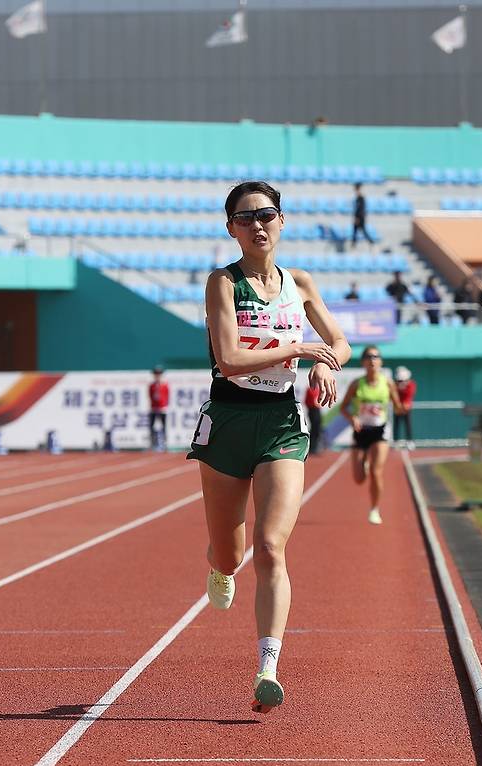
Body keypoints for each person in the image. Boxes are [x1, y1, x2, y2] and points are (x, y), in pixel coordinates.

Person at [187, 181, 350, 714]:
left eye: (267, 214)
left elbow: (340, 341)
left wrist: (327, 361)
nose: (258, 224)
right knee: (231, 552)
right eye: (245, 216)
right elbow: (229, 358)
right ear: (230, 228)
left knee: (272, 545)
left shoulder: (299, 282)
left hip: (280, 422)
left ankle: (267, 666)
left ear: (282, 222)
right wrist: (300, 347)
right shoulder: (222, 283)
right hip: (229, 421)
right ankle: (217, 568)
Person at [339, 345, 402, 526]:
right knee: (359, 479)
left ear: (380, 361)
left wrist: (402, 405)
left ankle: (374, 509)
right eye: (368, 356)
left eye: (376, 356)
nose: (372, 360)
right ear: (363, 362)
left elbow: (397, 406)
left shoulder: (387, 383)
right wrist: (353, 419)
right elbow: (343, 408)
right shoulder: (357, 384)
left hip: (379, 432)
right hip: (360, 432)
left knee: (376, 472)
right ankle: (364, 462)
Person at [393, 366, 417, 447]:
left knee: (408, 424)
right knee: (396, 424)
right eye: (399, 381)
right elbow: (393, 395)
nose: (401, 383)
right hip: (397, 407)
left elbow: (409, 396)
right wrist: (397, 405)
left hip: (406, 408)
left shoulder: (411, 385)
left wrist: (405, 405)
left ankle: (410, 441)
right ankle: (396, 441)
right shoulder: (394, 385)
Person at [148, 366, 169, 450]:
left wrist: (164, 406)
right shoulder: (152, 386)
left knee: (163, 426)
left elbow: (166, 396)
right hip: (154, 408)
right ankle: (152, 443)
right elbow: (150, 396)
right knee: (152, 426)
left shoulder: (164, 385)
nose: (157, 375)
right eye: (156, 374)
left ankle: (164, 443)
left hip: (162, 408)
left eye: (159, 374)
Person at [352, 183, 373, 248]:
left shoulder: (361, 198)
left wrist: (357, 218)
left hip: (360, 217)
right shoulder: (358, 198)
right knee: (356, 230)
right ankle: (353, 244)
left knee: (362, 230)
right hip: (359, 217)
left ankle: (371, 242)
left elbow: (361, 209)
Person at [305, 384, 322, 454]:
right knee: (314, 429)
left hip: (317, 410)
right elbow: (308, 401)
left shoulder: (318, 389)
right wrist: (314, 404)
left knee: (317, 429)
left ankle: (315, 446)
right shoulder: (310, 390)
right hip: (312, 410)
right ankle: (312, 447)